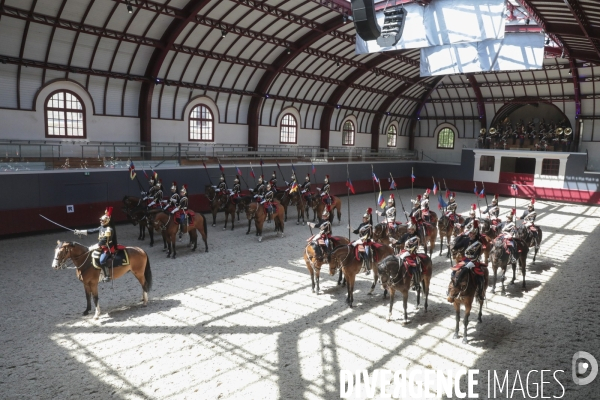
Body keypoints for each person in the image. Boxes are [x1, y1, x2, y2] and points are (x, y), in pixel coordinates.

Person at [74, 207, 117, 282]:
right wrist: (80, 231)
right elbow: (92, 231)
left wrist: (94, 246)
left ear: (107, 221)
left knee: (102, 261)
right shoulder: (101, 227)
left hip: (107, 248)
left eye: (102, 221)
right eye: (101, 220)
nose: (101, 221)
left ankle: (107, 275)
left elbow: (104, 241)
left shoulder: (109, 230)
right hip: (100, 246)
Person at [352, 208, 374, 275]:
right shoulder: (361, 225)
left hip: (366, 242)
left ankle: (368, 269)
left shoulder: (369, 225)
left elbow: (368, 235)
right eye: (363, 218)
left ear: (367, 219)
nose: (363, 219)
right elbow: (356, 231)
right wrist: (351, 229)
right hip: (359, 240)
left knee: (366, 255)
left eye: (365, 218)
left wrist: (370, 213)